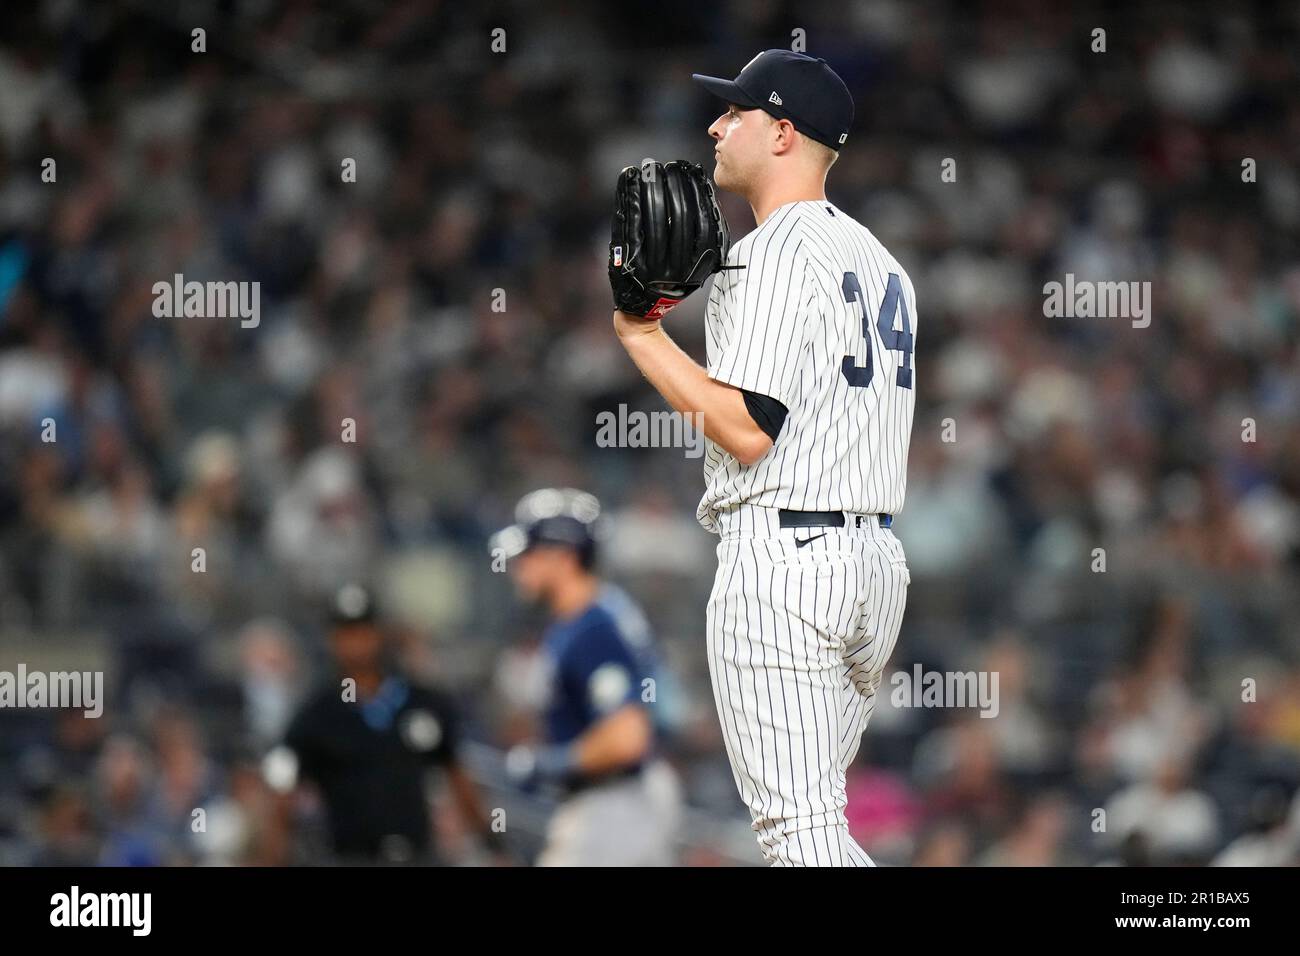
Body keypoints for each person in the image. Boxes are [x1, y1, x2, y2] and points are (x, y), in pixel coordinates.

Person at [611, 50, 916, 865]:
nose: (716, 125)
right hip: (873, 567)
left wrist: (640, 336)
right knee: (818, 826)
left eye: (736, 112)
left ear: (783, 133)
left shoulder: (772, 252)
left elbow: (747, 429)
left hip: (786, 563)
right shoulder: (885, 266)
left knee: (799, 836)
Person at [491, 488, 682, 866]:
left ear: (563, 555)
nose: (518, 566)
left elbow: (627, 737)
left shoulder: (592, 627)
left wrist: (551, 763)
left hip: (616, 803)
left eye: (529, 554)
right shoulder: (593, 615)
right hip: (621, 800)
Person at [269, 583, 503, 864]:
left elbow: (456, 774)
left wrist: (490, 841)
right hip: (351, 858)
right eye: (347, 633)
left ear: (380, 633)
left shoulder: (421, 702)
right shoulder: (316, 715)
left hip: (417, 856)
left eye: (364, 630)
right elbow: (283, 789)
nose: (357, 642)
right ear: (332, 639)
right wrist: (277, 855)